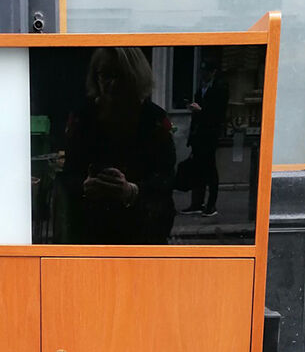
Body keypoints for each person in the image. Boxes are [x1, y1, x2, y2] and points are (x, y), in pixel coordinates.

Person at [55, 47, 176, 245]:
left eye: (120, 76)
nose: (112, 84)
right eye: (105, 75)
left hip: (141, 235)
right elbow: (68, 175)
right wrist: (84, 186)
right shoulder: (82, 118)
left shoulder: (154, 120)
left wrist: (131, 191)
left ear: (134, 77)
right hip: (91, 233)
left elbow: (166, 179)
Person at [180, 58, 229, 217]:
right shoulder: (201, 88)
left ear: (213, 72)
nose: (203, 75)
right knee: (198, 170)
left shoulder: (219, 88)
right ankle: (197, 203)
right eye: (202, 72)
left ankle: (211, 205)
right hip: (198, 135)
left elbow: (218, 114)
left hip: (209, 135)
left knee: (210, 170)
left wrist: (201, 110)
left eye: (206, 72)